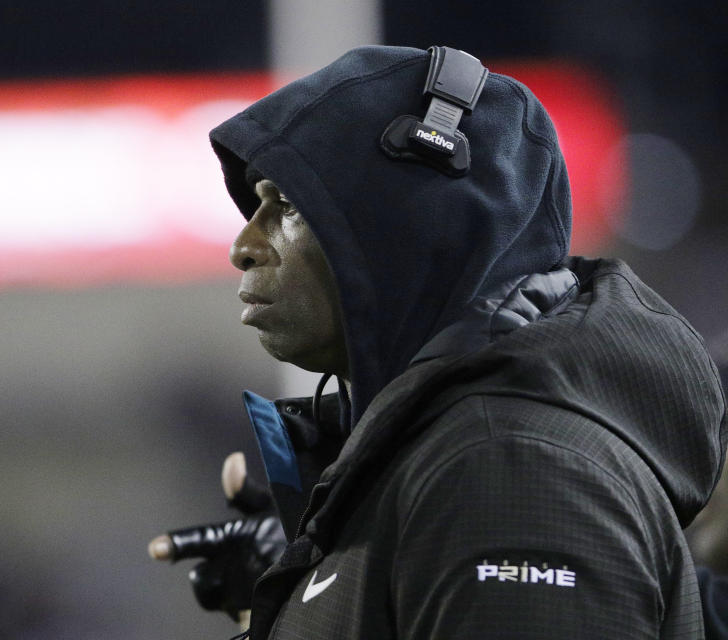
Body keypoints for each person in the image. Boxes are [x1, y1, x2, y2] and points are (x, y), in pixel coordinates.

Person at [149, 45, 727, 639]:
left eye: (288, 205)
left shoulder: (507, 466)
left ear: (411, 230)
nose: (243, 244)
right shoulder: (449, 460)